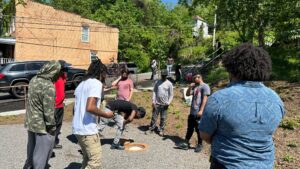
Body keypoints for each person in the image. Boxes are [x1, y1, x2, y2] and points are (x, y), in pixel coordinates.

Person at [199, 43, 285, 169]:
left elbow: (204, 135)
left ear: (231, 68)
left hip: (227, 163)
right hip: (265, 164)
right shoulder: (276, 99)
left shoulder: (219, 99)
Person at [72, 58, 114, 169]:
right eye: (104, 73)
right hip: (87, 129)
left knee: (87, 158)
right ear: (101, 73)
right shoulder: (96, 83)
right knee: (95, 162)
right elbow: (90, 107)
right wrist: (107, 115)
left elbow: (74, 109)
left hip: (77, 128)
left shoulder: (81, 84)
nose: (105, 76)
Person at [23, 60, 61, 169]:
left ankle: (28, 166)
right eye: (58, 72)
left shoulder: (33, 80)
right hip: (42, 126)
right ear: (53, 71)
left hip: (31, 122)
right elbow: (48, 111)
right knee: (41, 156)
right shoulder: (48, 86)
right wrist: (52, 127)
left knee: (31, 150)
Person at [176, 74, 210, 153]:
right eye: (193, 78)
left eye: (195, 78)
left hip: (199, 112)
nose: (194, 79)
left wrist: (201, 111)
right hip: (192, 111)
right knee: (190, 128)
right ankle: (186, 142)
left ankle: (200, 144)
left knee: (199, 129)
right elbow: (187, 94)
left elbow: (205, 99)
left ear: (200, 77)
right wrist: (190, 87)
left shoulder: (205, 86)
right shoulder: (195, 86)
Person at [146, 70, 173, 136]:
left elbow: (171, 95)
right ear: (161, 75)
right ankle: (151, 128)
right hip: (157, 103)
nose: (163, 77)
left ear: (166, 76)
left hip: (164, 104)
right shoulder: (157, 82)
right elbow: (154, 91)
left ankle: (161, 130)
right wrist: (153, 101)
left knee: (163, 118)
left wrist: (168, 103)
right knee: (154, 117)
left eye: (164, 76)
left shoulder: (169, 84)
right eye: (162, 76)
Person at [53, 60, 68, 149]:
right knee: (53, 126)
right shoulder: (54, 78)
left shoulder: (62, 77)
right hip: (54, 105)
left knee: (58, 125)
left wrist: (64, 74)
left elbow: (65, 80)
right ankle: (50, 144)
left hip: (60, 105)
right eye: (64, 68)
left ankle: (54, 141)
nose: (66, 70)